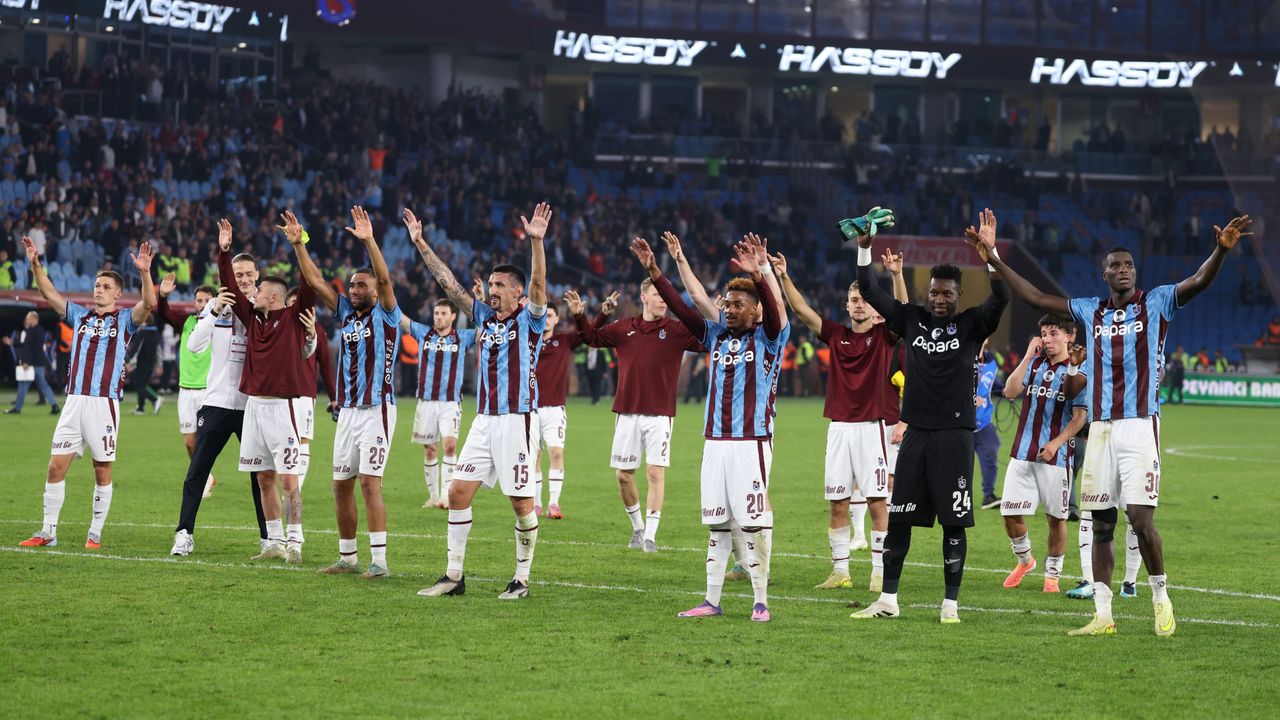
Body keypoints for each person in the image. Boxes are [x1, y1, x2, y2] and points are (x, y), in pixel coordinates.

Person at [974, 210, 1252, 636]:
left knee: (1140, 519)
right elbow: (1035, 298)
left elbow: (1198, 282)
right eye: (1115, 266)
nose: (1123, 270)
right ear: (1103, 274)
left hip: (1139, 425)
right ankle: (1103, 615)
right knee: (1101, 522)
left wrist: (1220, 251)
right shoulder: (1090, 311)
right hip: (1101, 429)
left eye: (1129, 265)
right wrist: (993, 257)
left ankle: (1160, 598)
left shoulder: (1156, 301)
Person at [850, 207, 1009, 624]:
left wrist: (990, 255)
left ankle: (950, 605)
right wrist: (865, 248)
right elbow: (870, 290)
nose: (939, 299)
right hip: (916, 434)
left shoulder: (972, 325)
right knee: (899, 521)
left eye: (947, 294)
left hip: (955, 436)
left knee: (954, 524)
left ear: (959, 295)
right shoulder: (911, 319)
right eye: (935, 293)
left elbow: (1002, 298)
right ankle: (888, 600)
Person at [633, 233, 788, 622]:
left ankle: (760, 601)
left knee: (751, 525)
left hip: (750, 442)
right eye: (727, 304)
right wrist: (656, 271)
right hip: (715, 442)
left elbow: (775, 310)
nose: (729, 310)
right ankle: (711, 600)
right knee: (717, 525)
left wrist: (762, 274)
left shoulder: (769, 338)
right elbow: (682, 307)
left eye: (738, 305)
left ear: (755, 310)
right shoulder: (715, 335)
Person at [415, 203, 552, 601]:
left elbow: (539, 283)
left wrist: (536, 243)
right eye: (490, 285)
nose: (492, 290)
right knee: (458, 493)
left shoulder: (530, 320)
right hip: (484, 420)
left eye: (499, 285)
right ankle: (453, 576)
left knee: (521, 503)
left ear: (517, 292)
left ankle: (521, 579)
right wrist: (421, 243)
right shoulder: (484, 319)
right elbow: (449, 285)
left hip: (517, 420)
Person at [769, 247, 907, 593]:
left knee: (877, 501)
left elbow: (903, 312)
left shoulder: (884, 337)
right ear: (846, 305)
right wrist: (783, 276)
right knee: (837, 502)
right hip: (839, 429)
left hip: (872, 428)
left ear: (875, 308)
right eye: (854, 299)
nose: (859, 304)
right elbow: (801, 310)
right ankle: (840, 571)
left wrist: (896, 275)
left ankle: (879, 572)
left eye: (864, 300)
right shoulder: (835, 334)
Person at [18, 235, 156, 549]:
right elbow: (48, 292)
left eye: (106, 286)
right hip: (74, 401)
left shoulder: (125, 320)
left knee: (101, 469)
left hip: (103, 404)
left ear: (118, 293)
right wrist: (35, 263)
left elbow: (149, 303)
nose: (99, 289)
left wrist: (145, 272)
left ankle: (94, 533)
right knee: (55, 466)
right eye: (97, 285)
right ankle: (48, 532)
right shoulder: (79, 315)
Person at [290, 207, 401, 579]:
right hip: (349, 412)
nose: (354, 290)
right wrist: (299, 245)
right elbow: (316, 280)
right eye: (352, 286)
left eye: (361, 286)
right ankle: (348, 558)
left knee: (370, 483)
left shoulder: (386, 314)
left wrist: (369, 241)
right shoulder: (346, 314)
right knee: (340, 486)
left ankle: (380, 562)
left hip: (377, 409)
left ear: (375, 291)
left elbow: (384, 279)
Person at [571, 251, 706, 551]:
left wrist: (713, 315)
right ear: (644, 297)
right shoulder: (624, 327)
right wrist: (591, 315)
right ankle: (637, 528)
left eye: (665, 296)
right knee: (623, 476)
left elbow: (708, 340)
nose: (663, 300)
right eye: (658, 295)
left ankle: (651, 537)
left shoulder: (677, 331)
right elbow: (590, 338)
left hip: (659, 414)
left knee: (655, 472)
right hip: (627, 412)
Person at [217, 217, 316, 564]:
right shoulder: (252, 318)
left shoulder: (293, 318)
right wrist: (224, 252)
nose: (252, 293)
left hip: (282, 409)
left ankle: (295, 542)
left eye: (258, 291)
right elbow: (229, 285)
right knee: (263, 479)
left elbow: (309, 281)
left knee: (289, 481)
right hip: (254, 409)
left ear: (273, 297)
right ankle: (273, 540)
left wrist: (298, 244)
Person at [170, 245, 270, 557]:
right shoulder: (216, 305)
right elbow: (195, 346)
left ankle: (268, 537)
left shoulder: (264, 305)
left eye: (248, 274)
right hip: (216, 402)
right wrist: (215, 311)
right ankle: (184, 534)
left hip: (251, 404)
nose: (243, 279)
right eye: (238, 274)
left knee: (260, 475)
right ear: (229, 276)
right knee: (197, 471)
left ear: (257, 276)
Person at [999, 318, 1088, 594]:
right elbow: (1010, 391)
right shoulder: (1035, 363)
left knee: (1056, 519)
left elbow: (1079, 417)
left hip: (1057, 458)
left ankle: (1052, 576)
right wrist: (1027, 355)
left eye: (1053, 333)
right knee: (1010, 513)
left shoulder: (1078, 371)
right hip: (1022, 452)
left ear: (1069, 336)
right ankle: (1025, 560)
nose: (1047, 339)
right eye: (1043, 334)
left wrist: (1056, 444)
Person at [531, 298, 613, 519]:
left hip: (555, 409)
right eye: (542, 316)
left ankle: (553, 503)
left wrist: (601, 314)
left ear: (557, 319)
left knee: (556, 452)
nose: (546, 320)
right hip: (530, 409)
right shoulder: (527, 341)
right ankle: (536, 503)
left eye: (550, 316)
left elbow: (588, 334)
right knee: (534, 456)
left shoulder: (564, 341)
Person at [401, 298, 477, 510]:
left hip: (451, 402)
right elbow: (401, 318)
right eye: (436, 313)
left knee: (450, 446)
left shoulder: (463, 337)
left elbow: (485, 330)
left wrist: (479, 302)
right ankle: (433, 496)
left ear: (453, 316)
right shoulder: (424, 333)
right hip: (426, 401)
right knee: (430, 449)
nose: (439, 317)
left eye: (443, 313)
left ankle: (446, 495)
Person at [155, 278, 217, 496]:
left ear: (215, 302)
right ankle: (206, 476)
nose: (202, 304)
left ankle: (200, 478)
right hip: (186, 391)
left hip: (209, 391)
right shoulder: (187, 322)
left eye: (207, 300)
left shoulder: (221, 325)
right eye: (199, 300)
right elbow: (164, 312)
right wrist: (163, 296)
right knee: (190, 443)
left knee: (205, 441)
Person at [289, 287, 338, 559]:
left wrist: (333, 397)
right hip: (279, 395)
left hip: (305, 396)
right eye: (291, 303)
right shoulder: (280, 327)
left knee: (302, 442)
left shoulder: (317, 330)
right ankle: (290, 484)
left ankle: (295, 485)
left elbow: (326, 366)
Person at [4, 311, 60, 414]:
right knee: (43, 385)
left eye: (28, 318)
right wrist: (12, 342)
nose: (26, 320)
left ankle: (17, 408)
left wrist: (26, 362)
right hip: (38, 363)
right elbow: (28, 345)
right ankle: (54, 406)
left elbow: (28, 348)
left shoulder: (31, 331)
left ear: (33, 319)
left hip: (31, 364)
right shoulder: (40, 330)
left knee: (23, 385)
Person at [975, 341, 1002, 509]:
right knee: (954, 463)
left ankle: (989, 496)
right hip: (958, 423)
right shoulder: (957, 354)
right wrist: (969, 398)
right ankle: (953, 495)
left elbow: (993, 385)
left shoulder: (991, 362)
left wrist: (1008, 391)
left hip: (983, 422)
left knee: (991, 453)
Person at [125, 315, 163, 416]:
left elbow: (135, 349)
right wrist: (159, 364)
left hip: (141, 363)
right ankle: (140, 408)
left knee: (140, 386)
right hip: (151, 363)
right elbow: (158, 350)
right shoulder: (155, 333)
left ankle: (155, 399)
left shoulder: (142, 333)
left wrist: (129, 362)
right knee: (142, 384)